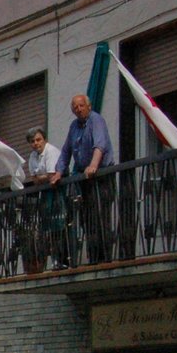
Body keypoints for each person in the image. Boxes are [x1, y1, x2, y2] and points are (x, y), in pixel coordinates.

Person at [48, 93, 117, 264]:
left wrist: (93, 165)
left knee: (101, 217)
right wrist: (58, 172)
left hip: (102, 176)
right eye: (75, 107)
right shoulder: (74, 126)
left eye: (81, 106)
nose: (78, 109)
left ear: (89, 106)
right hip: (85, 180)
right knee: (88, 219)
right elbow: (66, 152)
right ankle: (93, 257)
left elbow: (99, 145)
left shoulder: (96, 120)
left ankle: (104, 258)